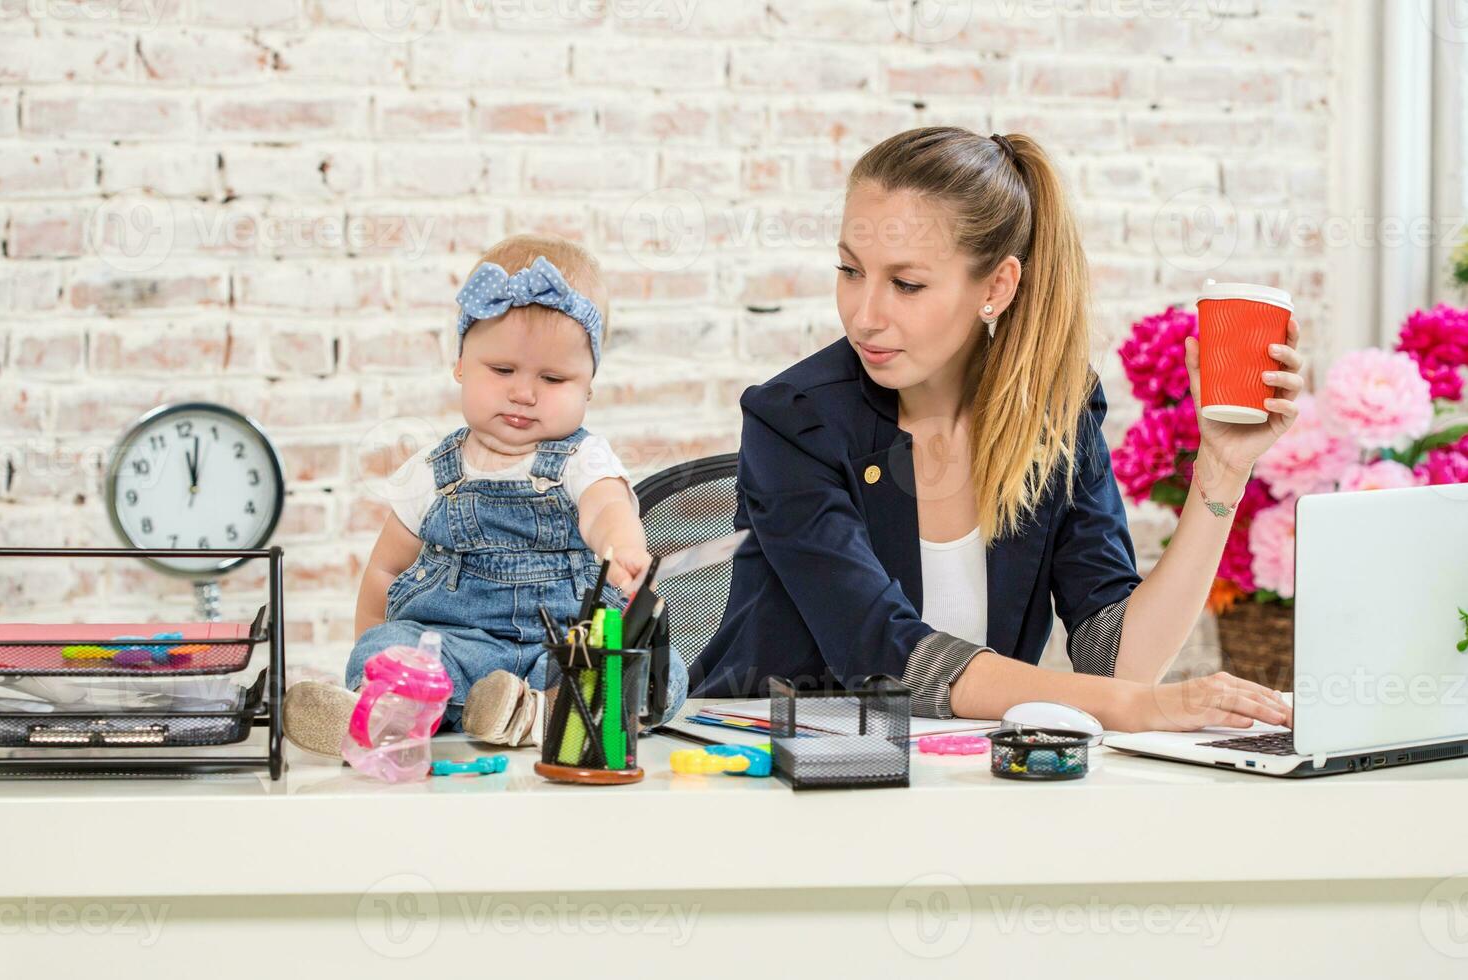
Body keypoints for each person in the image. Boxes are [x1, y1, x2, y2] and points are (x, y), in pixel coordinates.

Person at [691, 127, 1302, 732]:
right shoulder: (792, 421)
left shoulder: (1054, 413)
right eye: (850, 270)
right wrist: (1134, 708)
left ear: (998, 287)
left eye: (906, 284)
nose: (864, 314)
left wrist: (1223, 469)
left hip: (960, 780)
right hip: (768, 774)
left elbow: (1115, 661)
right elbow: (889, 657)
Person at [282, 234, 689, 756]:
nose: (524, 392)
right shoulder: (429, 473)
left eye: (554, 377)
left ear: (589, 387)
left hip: (565, 651)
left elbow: (605, 506)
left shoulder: (582, 460)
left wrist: (622, 547)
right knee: (391, 648)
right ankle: (387, 706)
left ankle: (542, 713)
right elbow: (384, 569)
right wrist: (377, 652)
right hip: (454, 649)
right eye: (502, 370)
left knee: (658, 672)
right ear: (460, 365)